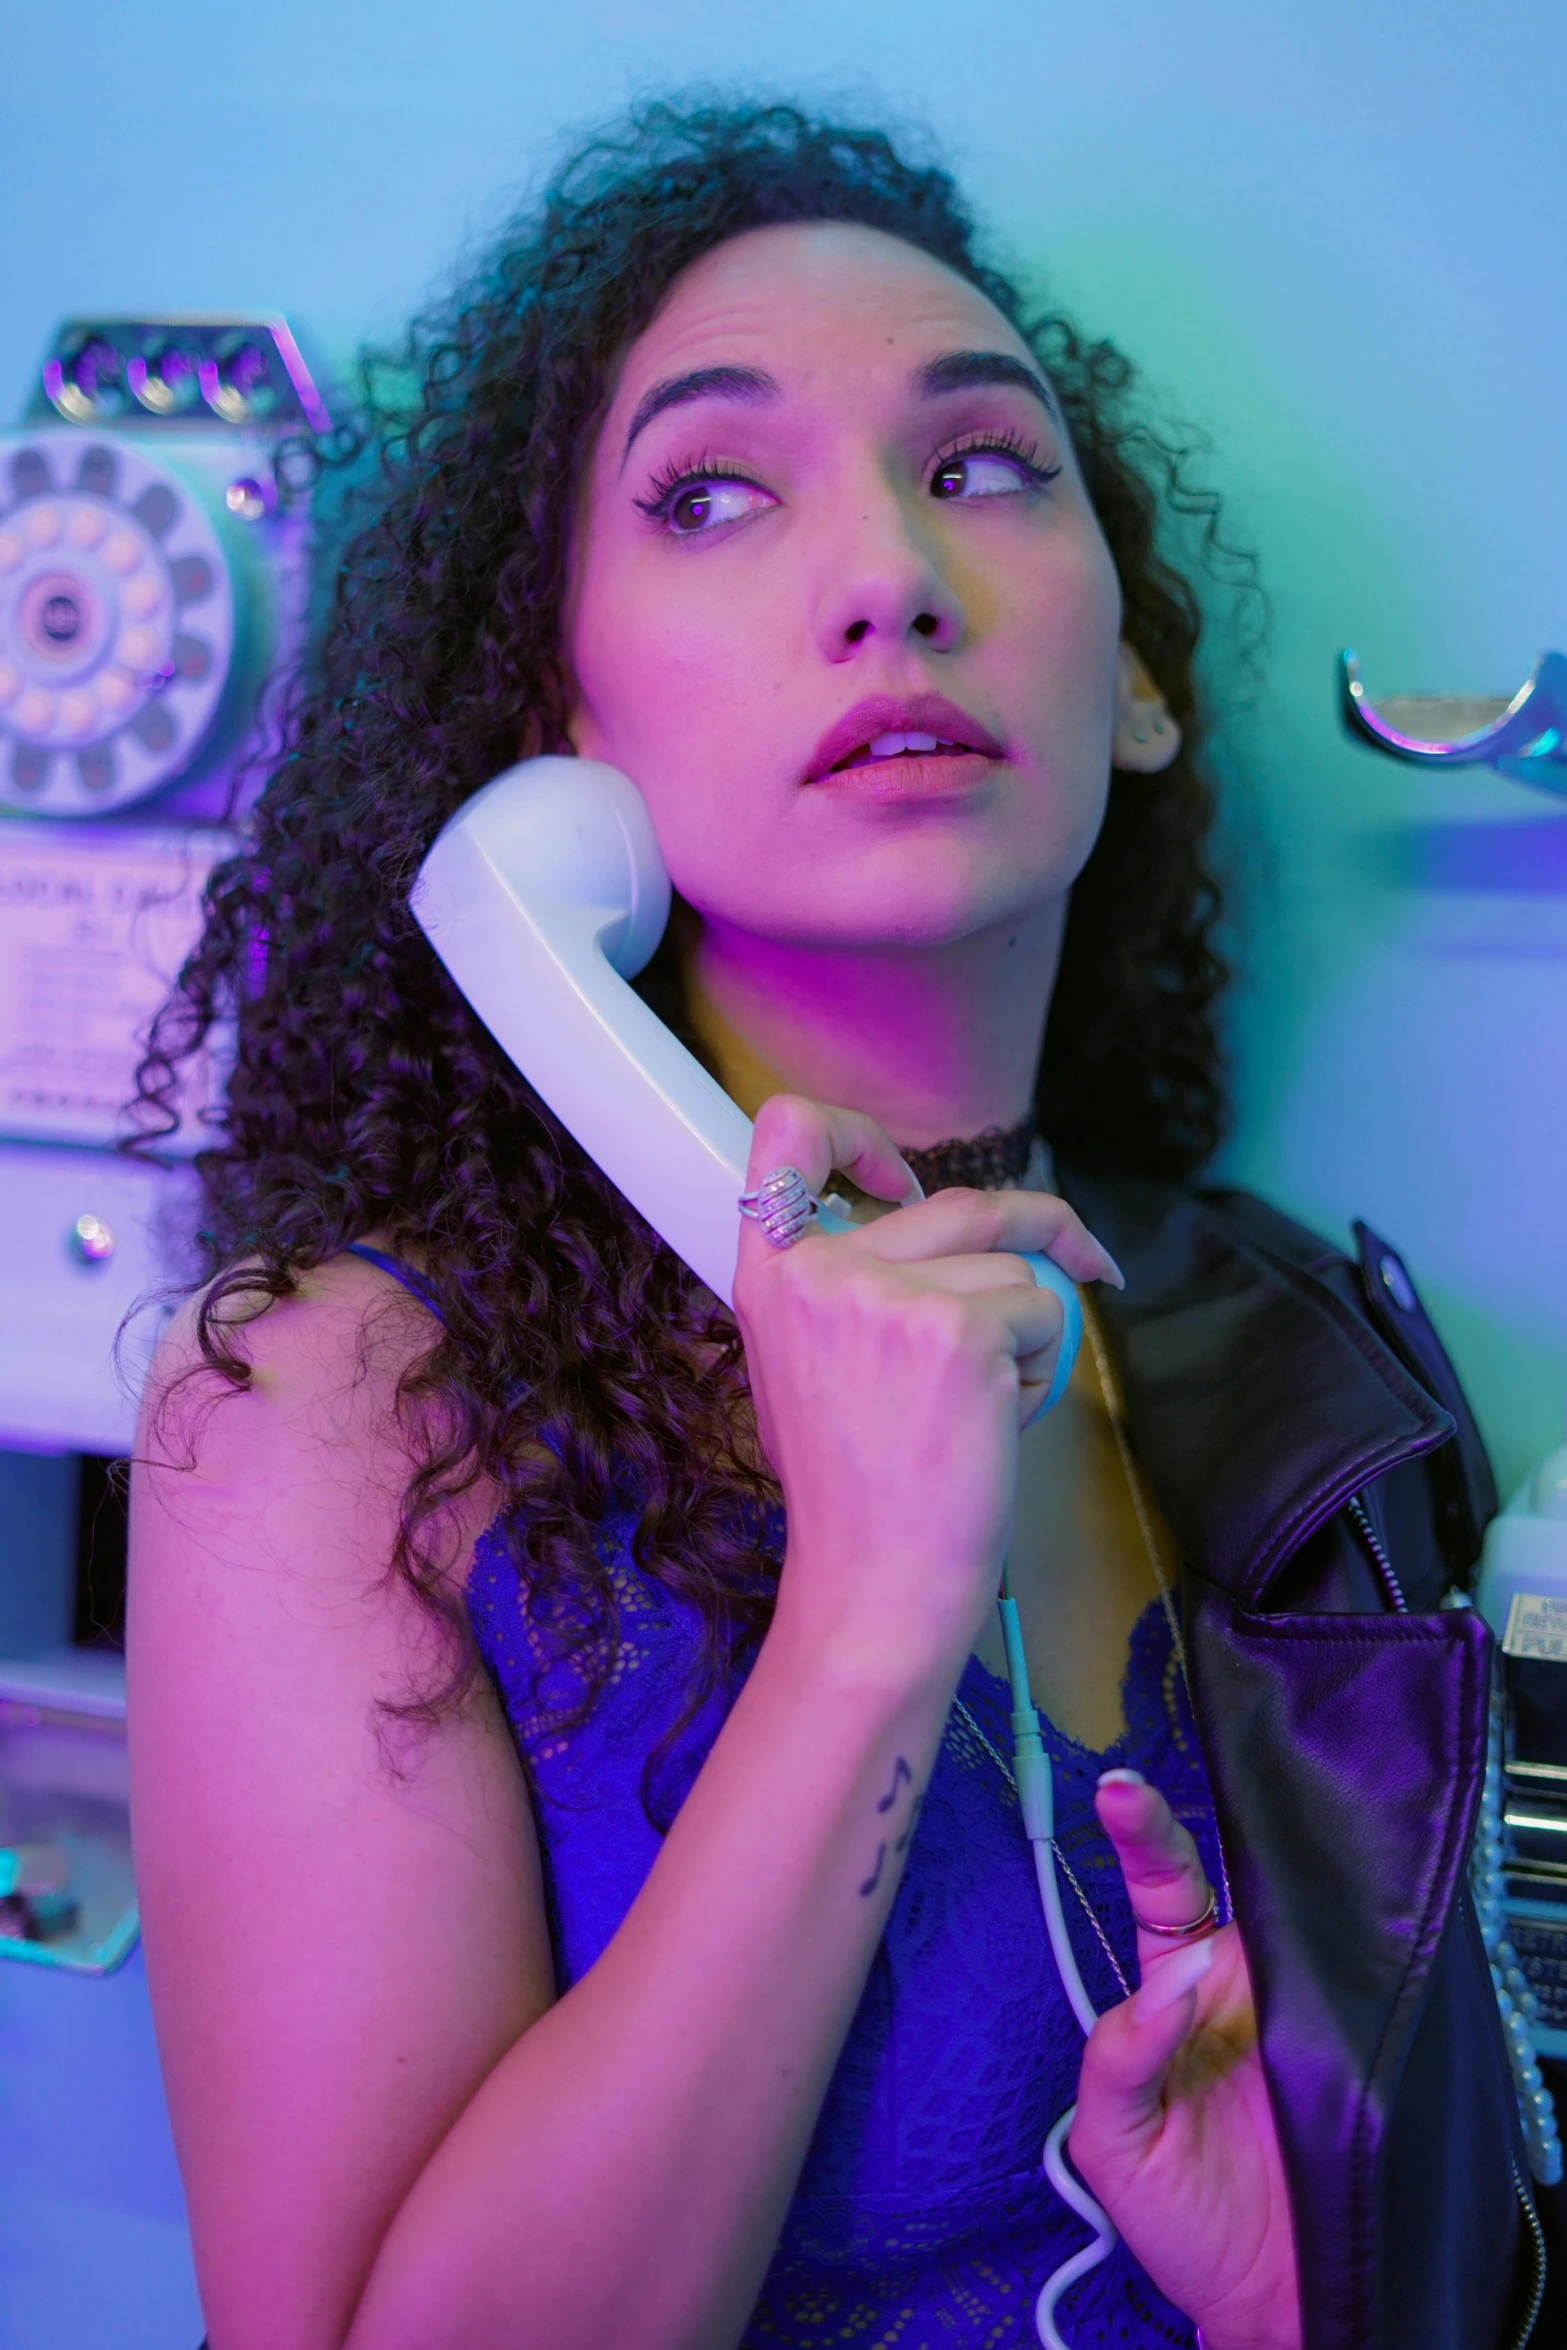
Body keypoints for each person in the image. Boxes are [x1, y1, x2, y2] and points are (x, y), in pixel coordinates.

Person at [126, 100, 1548, 2350]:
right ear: (541, 733)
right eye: (710, 494)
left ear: (1147, 679)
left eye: (985, 464)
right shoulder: (331, 1418)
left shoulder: (1310, 1356)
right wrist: (868, 1621)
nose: (891, 567)